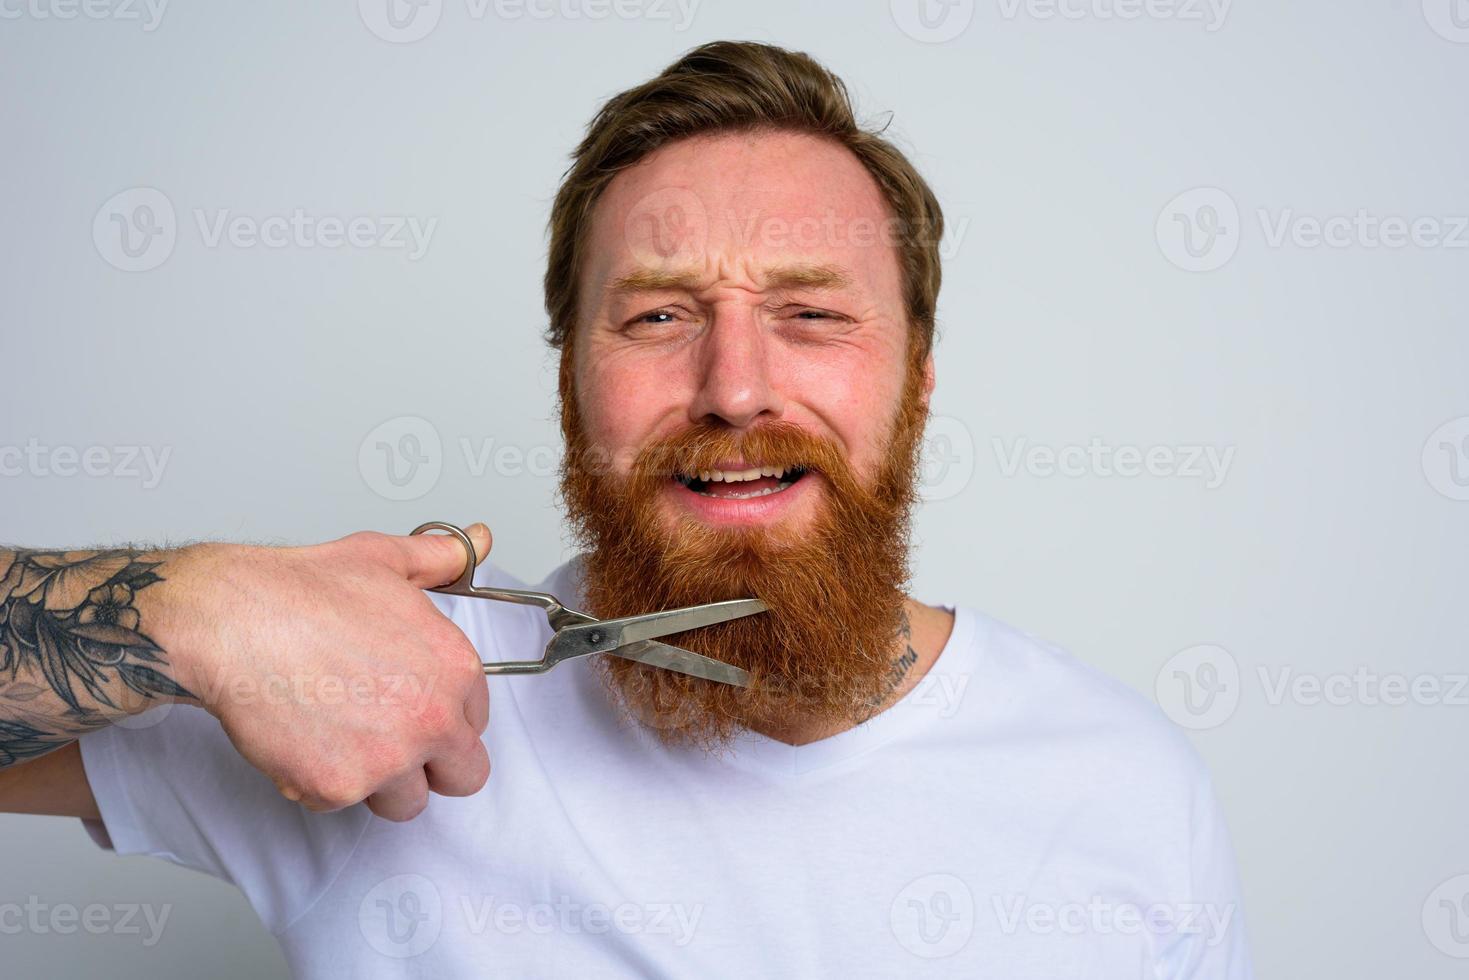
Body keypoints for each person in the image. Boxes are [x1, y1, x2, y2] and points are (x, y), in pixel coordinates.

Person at [0, 41, 1252, 978]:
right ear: (568, 379)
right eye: (656, 316)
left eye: (812, 312)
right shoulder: (371, 685)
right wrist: (193, 608)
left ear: (917, 378)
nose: (735, 386)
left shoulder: (1122, 790)